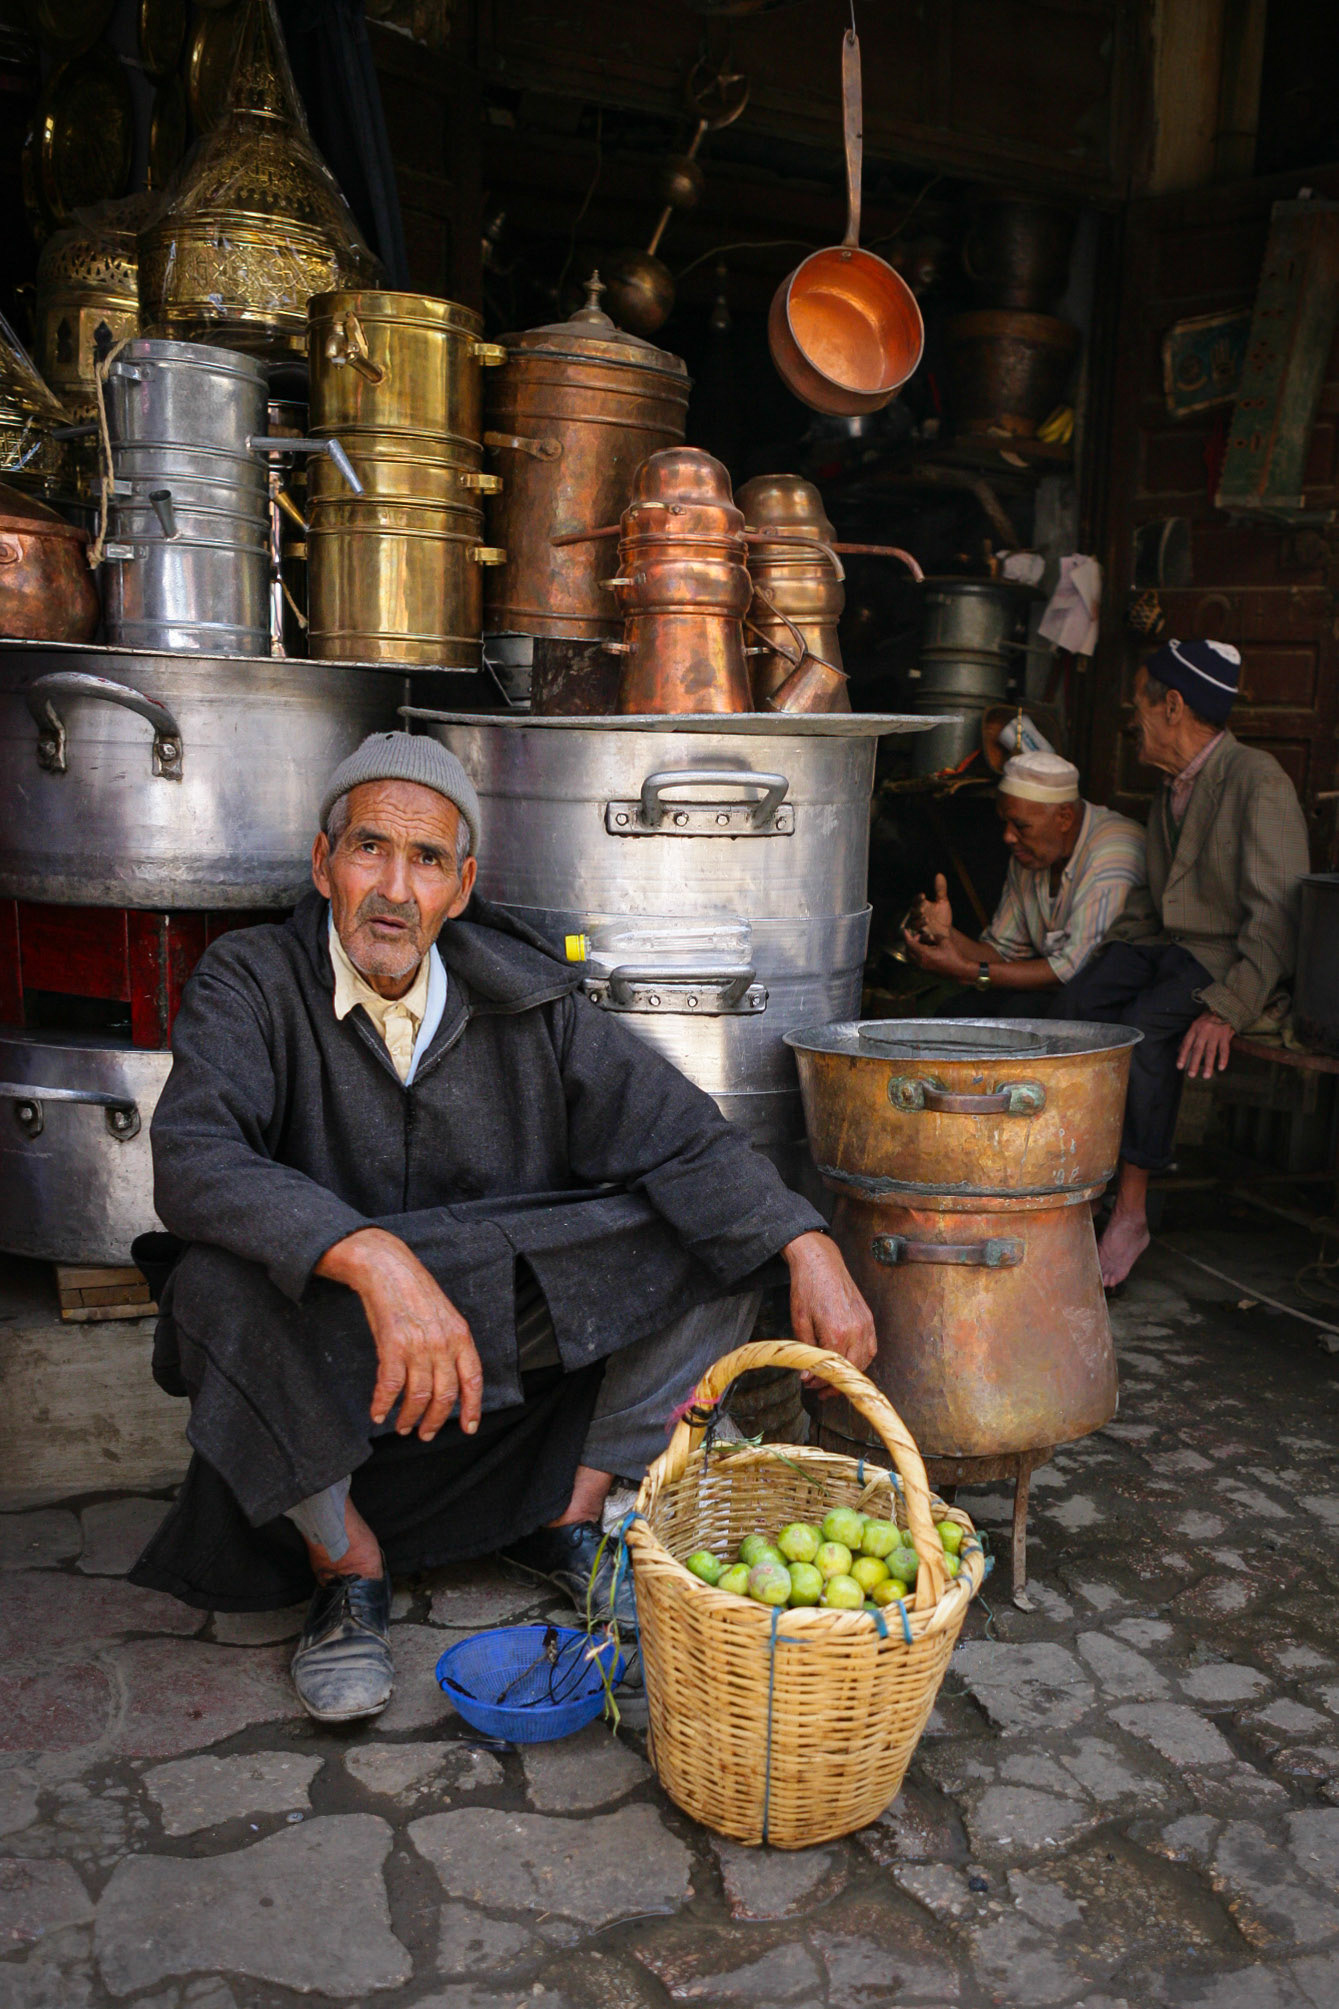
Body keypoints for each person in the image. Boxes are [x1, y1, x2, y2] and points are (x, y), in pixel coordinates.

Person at [129, 732, 877, 1722]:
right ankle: (346, 1564)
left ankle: (566, 1511)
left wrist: (808, 1242)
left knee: (719, 1233)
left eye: (427, 859)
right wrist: (372, 1258)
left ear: (462, 885)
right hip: (325, 1363)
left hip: (494, 1371)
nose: (395, 888)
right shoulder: (252, 980)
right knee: (210, 1281)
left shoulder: (533, 1002)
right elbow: (193, 1157)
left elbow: (682, 1135)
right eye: (369, 850)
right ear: (324, 865)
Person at [1055, 639, 1310, 1288]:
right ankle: (1077, 1187)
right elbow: (1148, 901)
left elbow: (1278, 915)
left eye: (1137, 699)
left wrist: (1230, 1005)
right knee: (1079, 1007)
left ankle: (1132, 1210)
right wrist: (1106, 957)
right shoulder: (1168, 788)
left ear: (1171, 705)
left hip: (1221, 958)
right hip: (1166, 948)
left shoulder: (1256, 780)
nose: (1129, 713)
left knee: (1144, 1030)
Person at [901, 750, 1146, 1005]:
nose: (1008, 836)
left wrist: (969, 972)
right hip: (1059, 994)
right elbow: (1003, 953)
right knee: (958, 1010)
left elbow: (1071, 971)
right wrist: (946, 935)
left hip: (1102, 1002)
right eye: (1005, 823)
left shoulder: (1112, 856)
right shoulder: (1033, 851)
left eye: (1020, 825)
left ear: (1064, 818)